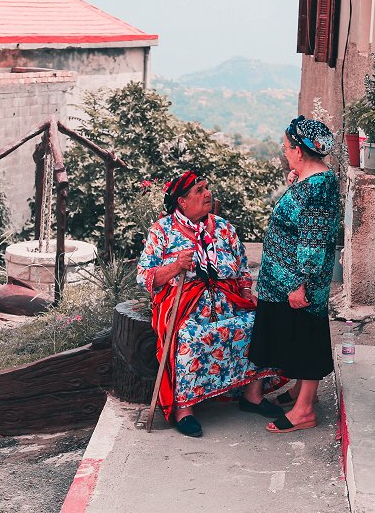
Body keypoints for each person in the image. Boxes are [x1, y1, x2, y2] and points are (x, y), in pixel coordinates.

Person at [137, 170, 284, 438]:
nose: (207, 194)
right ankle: (184, 408)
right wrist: (175, 266)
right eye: (199, 190)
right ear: (182, 201)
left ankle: (252, 395)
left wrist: (247, 290)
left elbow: (241, 267)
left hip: (228, 298)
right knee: (190, 337)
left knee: (261, 322)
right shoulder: (162, 231)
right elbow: (145, 276)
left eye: (206, 188)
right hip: (185, 304)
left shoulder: (223, 227)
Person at [248, 115, 339, 433]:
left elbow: (313, 242)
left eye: (287, 148)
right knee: (298, 337)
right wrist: (295, 183)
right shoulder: (312, 182)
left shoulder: (317, 188)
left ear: (299, 151)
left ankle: (304, 411)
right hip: (286, 280)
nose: (285, 152)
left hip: (298, 283)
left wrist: (300, 285)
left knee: (305, 340)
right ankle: (302, 392)